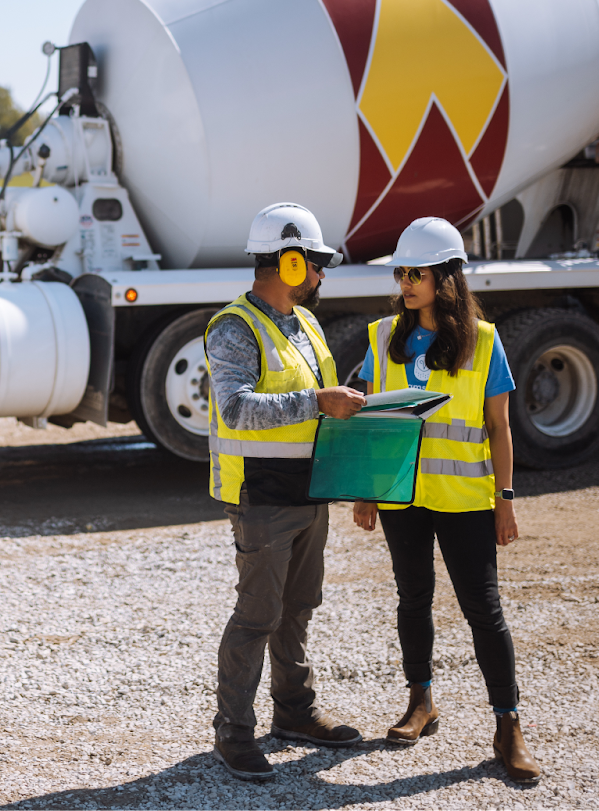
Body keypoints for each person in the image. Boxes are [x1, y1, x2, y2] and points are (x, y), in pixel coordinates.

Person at [351, 216, 542, 783]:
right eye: (401, 272)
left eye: (418, 273)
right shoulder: (381, 336)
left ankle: (508, 726)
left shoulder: (483, 341)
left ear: (447, 278)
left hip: (465, 499)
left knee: (484, 610)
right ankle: (421, 702)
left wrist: (505, 499)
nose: (406, 282)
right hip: (401, 498)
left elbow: (500, 428)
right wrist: (365, 490)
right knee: (413, 599)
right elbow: (366, 416)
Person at [205, 201, 367, 782]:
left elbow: (319, 408)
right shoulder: (234, 327)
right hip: (263, 497)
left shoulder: (305, 323)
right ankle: (234, 733)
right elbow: (235, 408)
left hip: (309, 493)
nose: (322, 275)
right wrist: (321, 402)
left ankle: (295, 716)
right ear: (291, 261)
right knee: (258, 616)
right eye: (317, 263)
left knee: (297, 609)